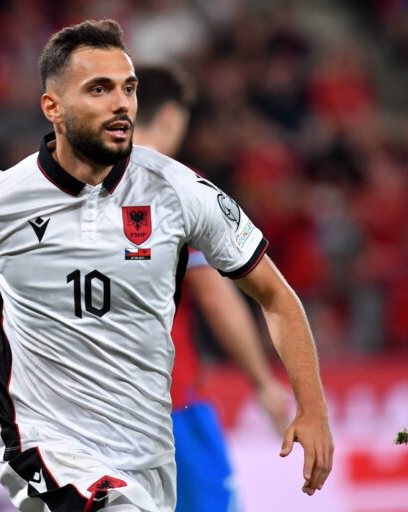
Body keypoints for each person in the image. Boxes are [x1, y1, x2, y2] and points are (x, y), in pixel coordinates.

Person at [0, 19, 333, 512]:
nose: (121, 103)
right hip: (43, 445)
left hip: (148, 454)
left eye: (128, 88)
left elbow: (275, 296)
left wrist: (312, 408)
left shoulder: (179, 192)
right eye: (99, 89)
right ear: (52, 107)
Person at [132, 64, 290, 512]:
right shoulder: (177, 186)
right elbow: (215, 294)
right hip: (168, 400)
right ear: (170, 117)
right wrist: (263, 382)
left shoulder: (74, 184)